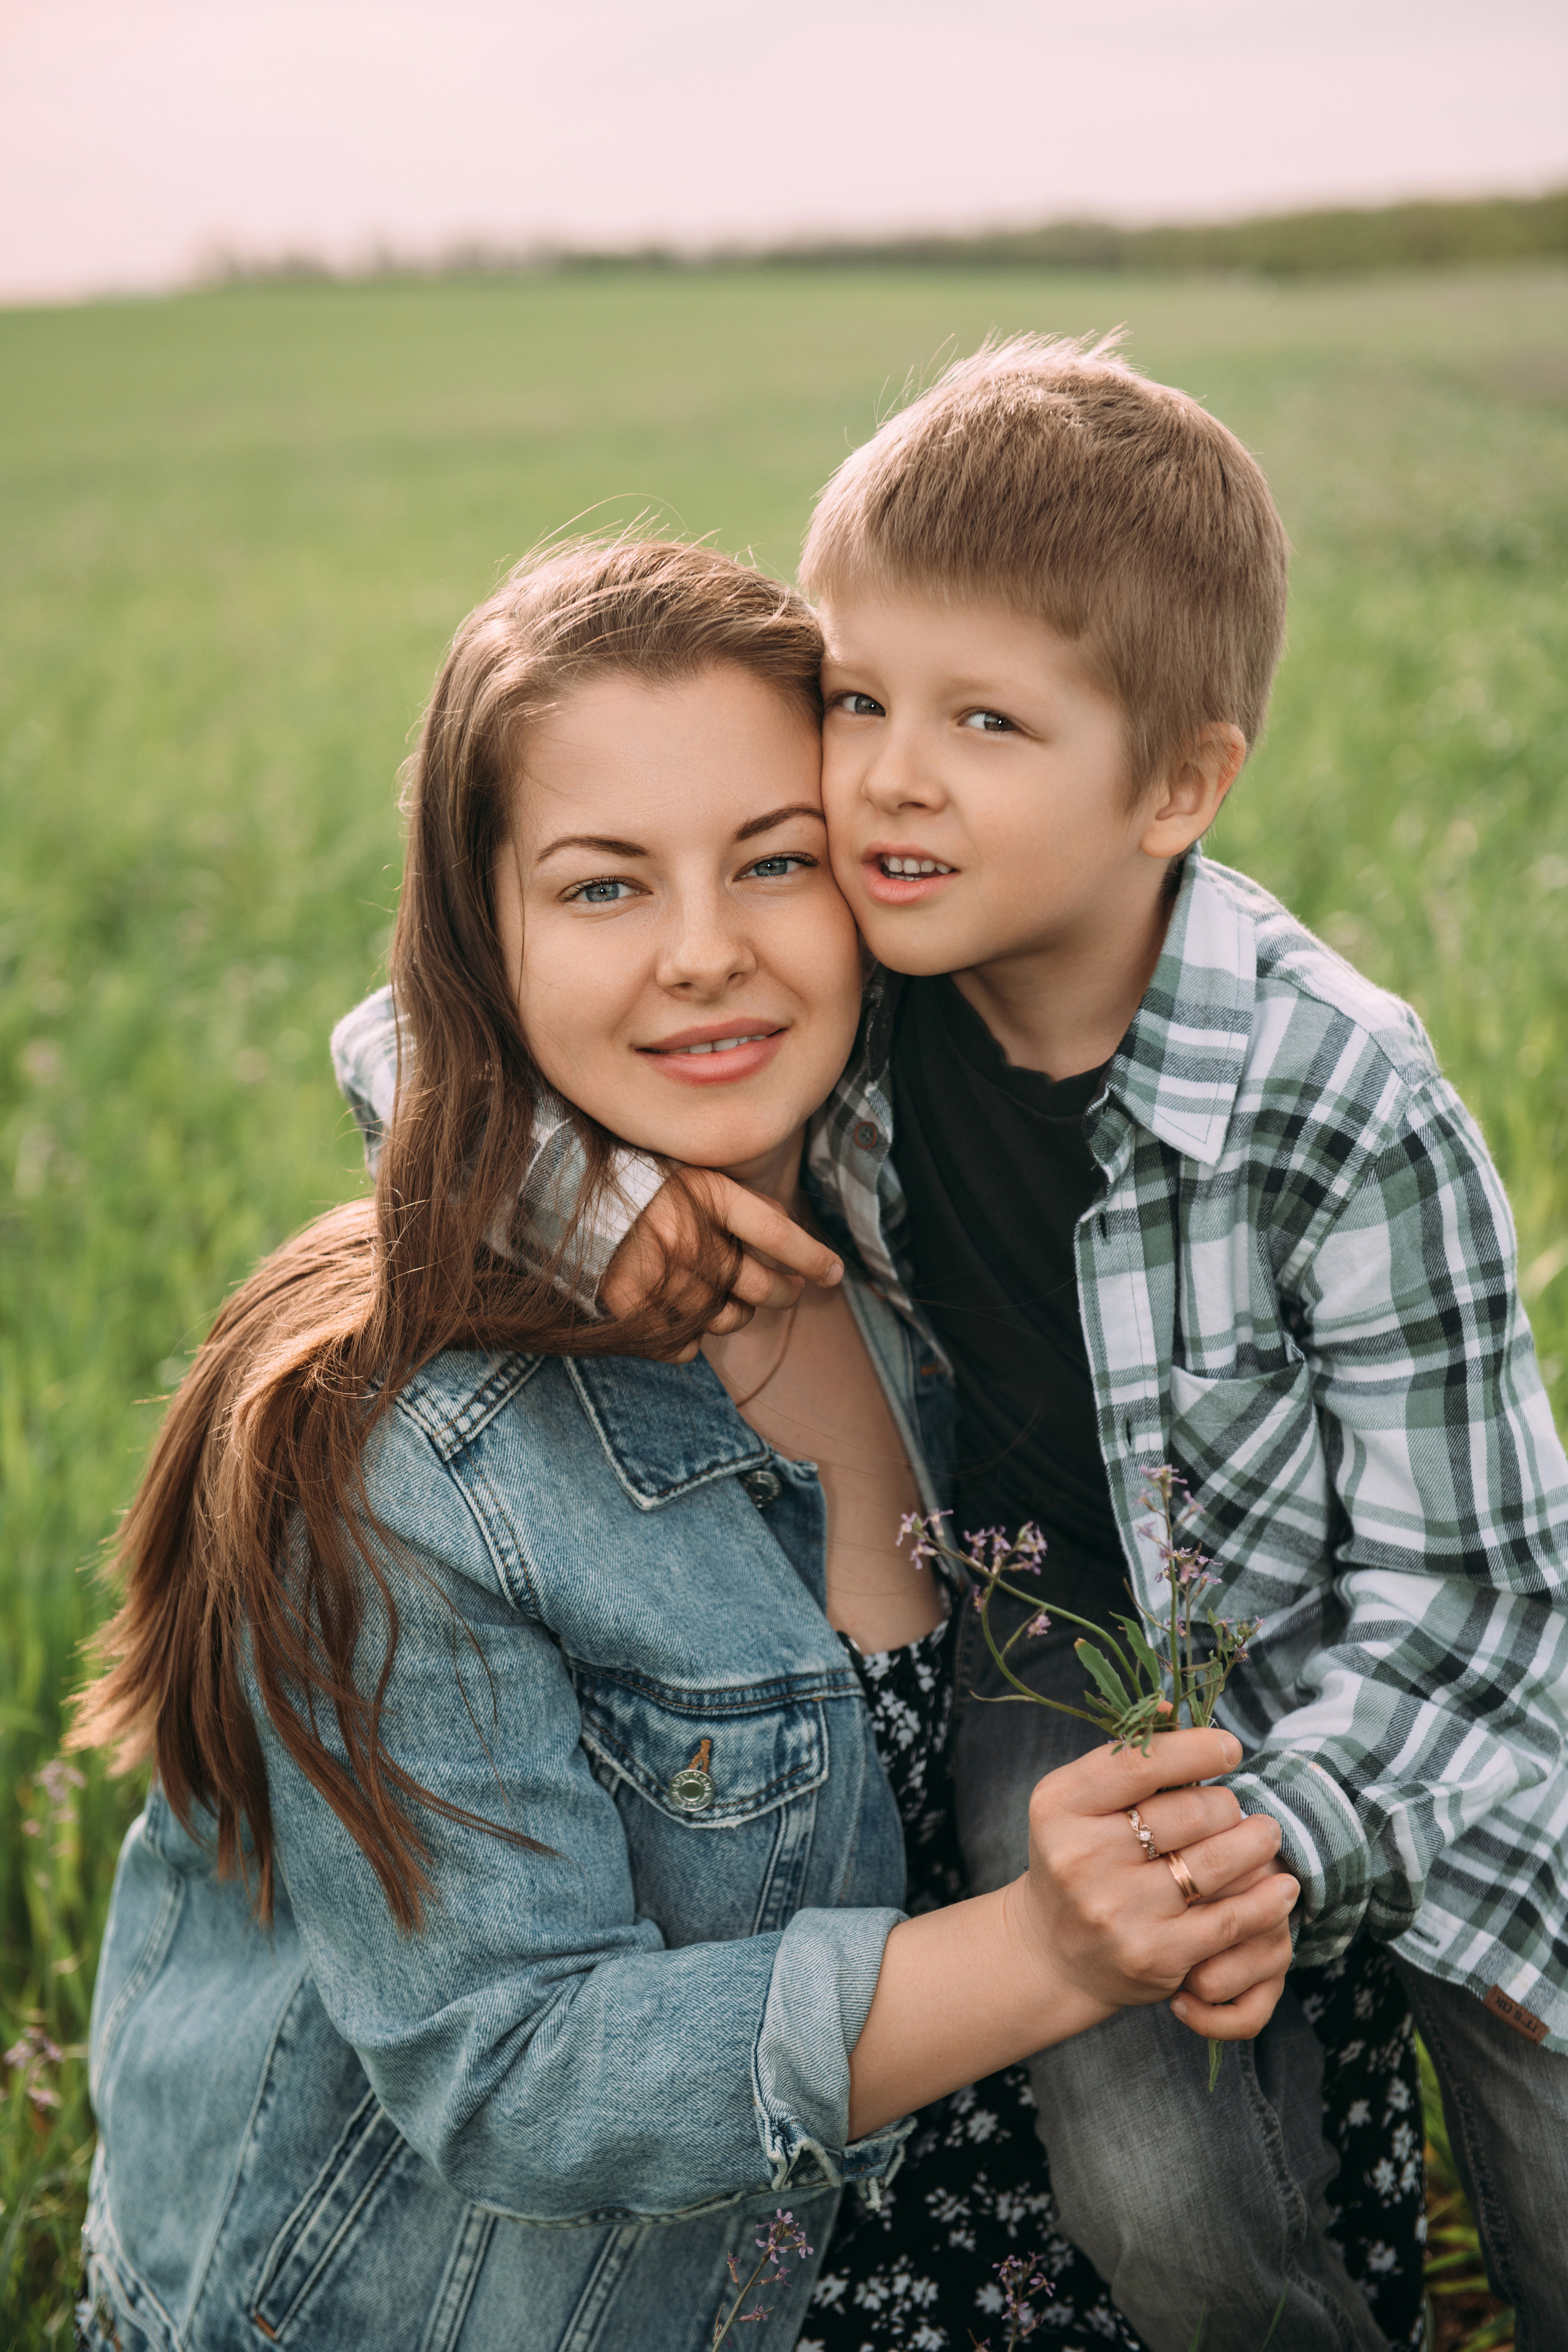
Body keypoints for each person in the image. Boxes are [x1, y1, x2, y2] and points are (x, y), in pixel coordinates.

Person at [393, 344, 1568, 2352]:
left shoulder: (1336, 1096)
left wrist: (1286, 1837)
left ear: (1177, 786)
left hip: (1404, 1699)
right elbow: (423, 1028)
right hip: (1067, 1654)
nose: (889, 780)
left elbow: (1477, 1599)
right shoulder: (863, 972)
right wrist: (601, 1203)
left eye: (988, 721)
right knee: (1158, 2192)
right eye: (858, 700)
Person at [70, 541, 1298, 2352]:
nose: (706, 950)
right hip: (565, 2294)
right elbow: (515, 2074)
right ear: (481, 941)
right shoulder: (408, 1453)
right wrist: (1045, 1950)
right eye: (602, 885)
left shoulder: (924, 1238)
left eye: (776, 861)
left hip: (945, 2212)